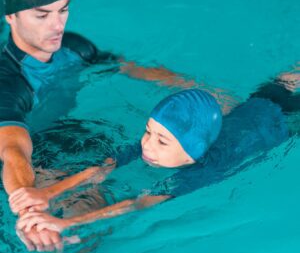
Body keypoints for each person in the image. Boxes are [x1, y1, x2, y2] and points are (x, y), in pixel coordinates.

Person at [13, 82, 300, 234]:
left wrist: (68, 223)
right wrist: (49, 192)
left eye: (162, 141)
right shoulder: (159, 143)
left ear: (191, 155)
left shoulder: (200, 172)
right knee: (283, 81)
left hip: (281, 125)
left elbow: (137, 203)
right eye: (148, 131)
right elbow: (104, 166)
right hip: (253, 106)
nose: (147, 145)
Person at [0, 0, 120, 252]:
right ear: (10, 17)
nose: (57, 26)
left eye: (63, 10)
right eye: (42, 15)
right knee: (78, 222)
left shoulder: (73, 48)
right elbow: (13, 151)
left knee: (90, 223)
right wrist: (27, 206)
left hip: (66, 139)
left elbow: (131, 68)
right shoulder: (8, 83)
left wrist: (195, 89)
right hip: (25, 162)